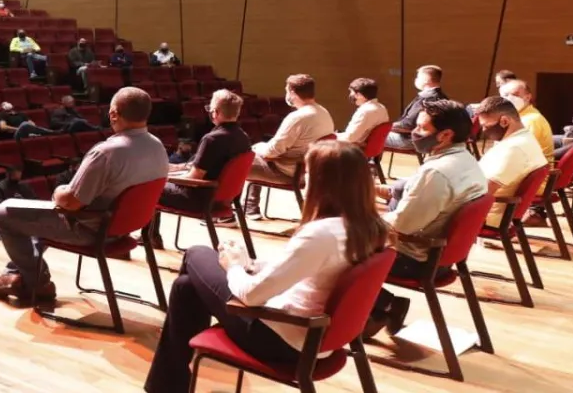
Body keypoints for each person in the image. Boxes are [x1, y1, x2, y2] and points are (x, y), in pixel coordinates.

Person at [144, 140, 389, 393]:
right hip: (313, 338)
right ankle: (165, 386)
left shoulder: (321, 234)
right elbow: (310, 268)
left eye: (307, 174)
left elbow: (251, 296)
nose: (304, 181)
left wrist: (234, 266)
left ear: (323, 183)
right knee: (186, 287)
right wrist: (250, 265)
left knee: (196, 253)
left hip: (279, 340)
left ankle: (166, 386)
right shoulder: (371, 228)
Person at [0, 88, 168, 301]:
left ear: (113, 114)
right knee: (30, 217)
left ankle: (38, 283)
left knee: (2, 213)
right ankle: (16, 274)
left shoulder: (107, 152)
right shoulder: (157, 146)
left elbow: (70, 203)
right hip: (125, 227)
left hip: (91, 230)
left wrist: (58, 191)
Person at [367, 100, 487, 337]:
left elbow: (403, 225)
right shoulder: (466, 160)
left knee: (333, 247)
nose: (414, 132)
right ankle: (379, 308)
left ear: (446, 135)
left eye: (422, 128)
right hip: (441, 255)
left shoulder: (437, 172)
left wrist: (356, 223)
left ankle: (380, 307)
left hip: (415, 259)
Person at [144, 89, 253, 248]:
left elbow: (194, 178)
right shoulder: (243, 137)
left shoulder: (212, 139)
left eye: (210, 108)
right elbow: (204, 167)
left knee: (150, 185)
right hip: (223, 200)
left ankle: (150, 237)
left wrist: (165, 177)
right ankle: (151, 236)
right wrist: (174, 169)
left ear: (215, 112)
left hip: (200, 200)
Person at [245, 74, 335, 219]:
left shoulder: (297, 117)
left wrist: (257, 147)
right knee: (256, 157)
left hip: (289, 172)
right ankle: (250, 208)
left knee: (238, 161)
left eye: (287, 90)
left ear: (292, 93)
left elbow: (272, 152)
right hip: (311, 171)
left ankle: (224, 213)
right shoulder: (323, 112)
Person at [473, 96, 548, 228]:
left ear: (504, 121)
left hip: (486, 215)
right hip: (492, 209)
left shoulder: (514, 149)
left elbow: (484, 190)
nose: (483, 131)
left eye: (485, 126)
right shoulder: (523, 139)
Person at [387, 65, 449, 150]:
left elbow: (407, 126)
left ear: (426, 79)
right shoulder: (443, 97)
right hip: (429, 138)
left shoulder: (426, 99)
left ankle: (372, 158)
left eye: (418, 77)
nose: (416, 79)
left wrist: (385, 127)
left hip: (413, 139)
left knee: (373, 136)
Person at [337, 77, 390, 145]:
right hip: (368, 147)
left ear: (359, 95)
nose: (350, 95)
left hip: (355, 147)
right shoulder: (382, 108)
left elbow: (350, 138)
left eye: (351, 92)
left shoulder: (365, 111)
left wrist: (333, 136)